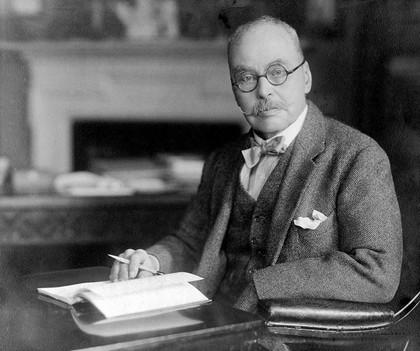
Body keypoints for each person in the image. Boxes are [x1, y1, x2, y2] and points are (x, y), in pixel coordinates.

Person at [110, 15, 403, 313]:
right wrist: (152, 260)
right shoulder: (221, 161)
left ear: (306, 78)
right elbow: (190, 241)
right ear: (235, 90)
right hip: (208, 318)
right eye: (247, 78)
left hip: (288, 334)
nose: (263, 91)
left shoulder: (358, 157)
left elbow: (377, 271)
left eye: (277, 72)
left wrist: (263, 284)